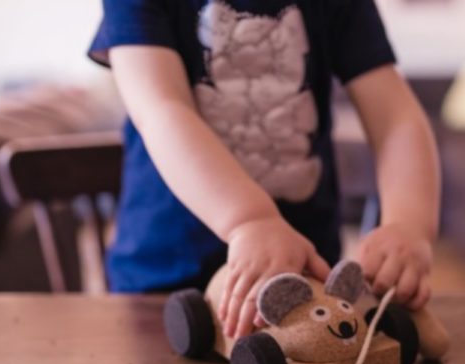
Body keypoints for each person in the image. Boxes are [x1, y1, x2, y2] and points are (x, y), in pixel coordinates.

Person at [89, 0, 440, 338]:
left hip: (304, 287)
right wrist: (250, 220)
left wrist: (409, 223)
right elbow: (162, 110)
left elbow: (396, 119)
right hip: (164, 280)